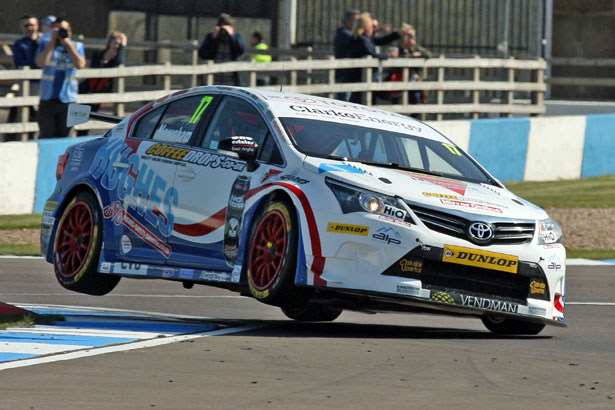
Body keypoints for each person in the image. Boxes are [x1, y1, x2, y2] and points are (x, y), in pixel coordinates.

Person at [35, 17, 86, 139]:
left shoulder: (77, 46)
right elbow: (40, 62)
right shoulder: (45, 44)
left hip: (68, 99)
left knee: (66, 136)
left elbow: (80, 65)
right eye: (56, 28)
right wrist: (52, 42)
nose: (59, 32)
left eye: (62, 29)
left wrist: (67, 44)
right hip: (48, 99)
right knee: (46, 135)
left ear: (69, 30)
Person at [347, 13, 399, 103]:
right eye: (371, 25)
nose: (373, 28)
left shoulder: (365, 38)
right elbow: (372, 54)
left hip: (363, 77)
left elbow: (381, 40)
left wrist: (397, 34)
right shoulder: (362, 39)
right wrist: (388, 55)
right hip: (360, 77)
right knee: (359, 102)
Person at [198, 13, 246, 86]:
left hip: (232, 81)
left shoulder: (236, 36)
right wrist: (213, 38)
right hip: (213, 79)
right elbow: (202, 54)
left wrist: (232, 35)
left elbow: (241, 50)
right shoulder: (212, 36)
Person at [395, 24, 431, 106]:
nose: (414, 37)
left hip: (414, 80)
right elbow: (398, 62)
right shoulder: (399, 48)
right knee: (397, 103)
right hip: (400, 80)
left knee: (416, 102)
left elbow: (428, 54)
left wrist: (415, 47)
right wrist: (412, 56)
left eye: (414, 35)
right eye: (411, 35)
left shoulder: (415, 48)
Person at [333, 9, 360, 101]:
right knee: (343, 101)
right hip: (344, 74)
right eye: (355, 21)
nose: (358, 24)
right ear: (347, 21)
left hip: (348, 74)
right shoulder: (344, 34)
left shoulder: (346, 33)